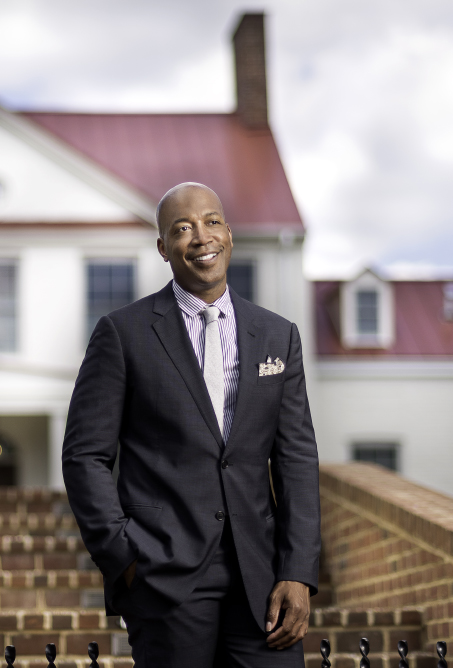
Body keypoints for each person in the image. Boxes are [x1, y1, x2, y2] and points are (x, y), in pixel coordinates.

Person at [62, 183, 321, 667]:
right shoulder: (123, 334)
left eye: (211, 221)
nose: (201, 237)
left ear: (228, 233)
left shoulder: (278, 336)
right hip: (164, 578)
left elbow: (296, 460)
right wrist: (125, 557)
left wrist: (298, 571)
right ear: (163, 247)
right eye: (182, 228)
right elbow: (84, 456)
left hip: (262, 579)